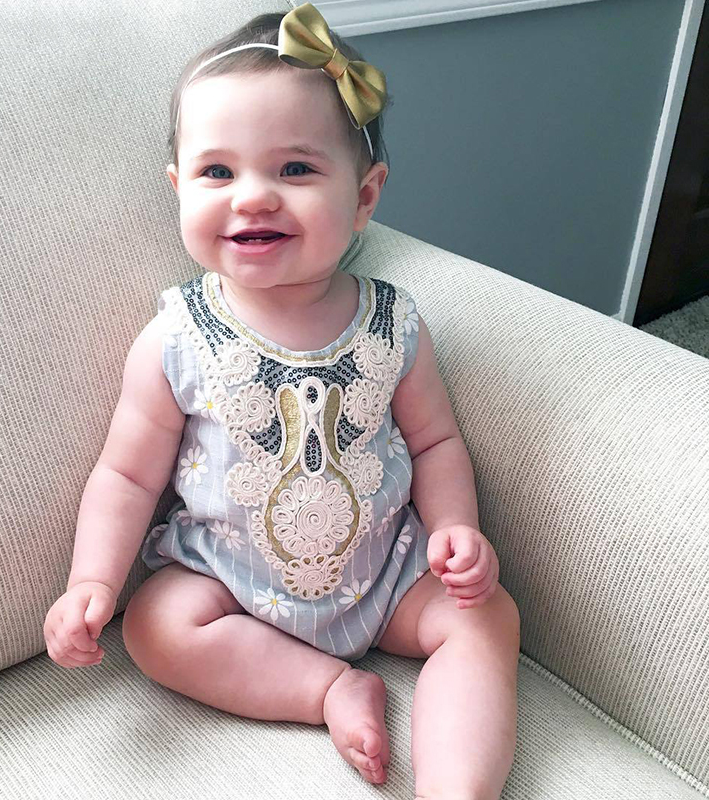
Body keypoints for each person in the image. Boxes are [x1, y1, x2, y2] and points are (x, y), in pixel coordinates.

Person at [43, 4, 520, 798]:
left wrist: (455, 531)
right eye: (217, 173)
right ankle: (326, 689)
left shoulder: (393, 323)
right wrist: (92, 580)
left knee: (487, 616)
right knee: (156, 626)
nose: (254, 197)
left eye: (295, 169)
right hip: (230, 584)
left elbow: (435, 443)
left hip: (388, 574)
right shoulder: (176, 338)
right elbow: (125, 476)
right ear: (178, 188)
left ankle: (457, 787)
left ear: (363, 196)